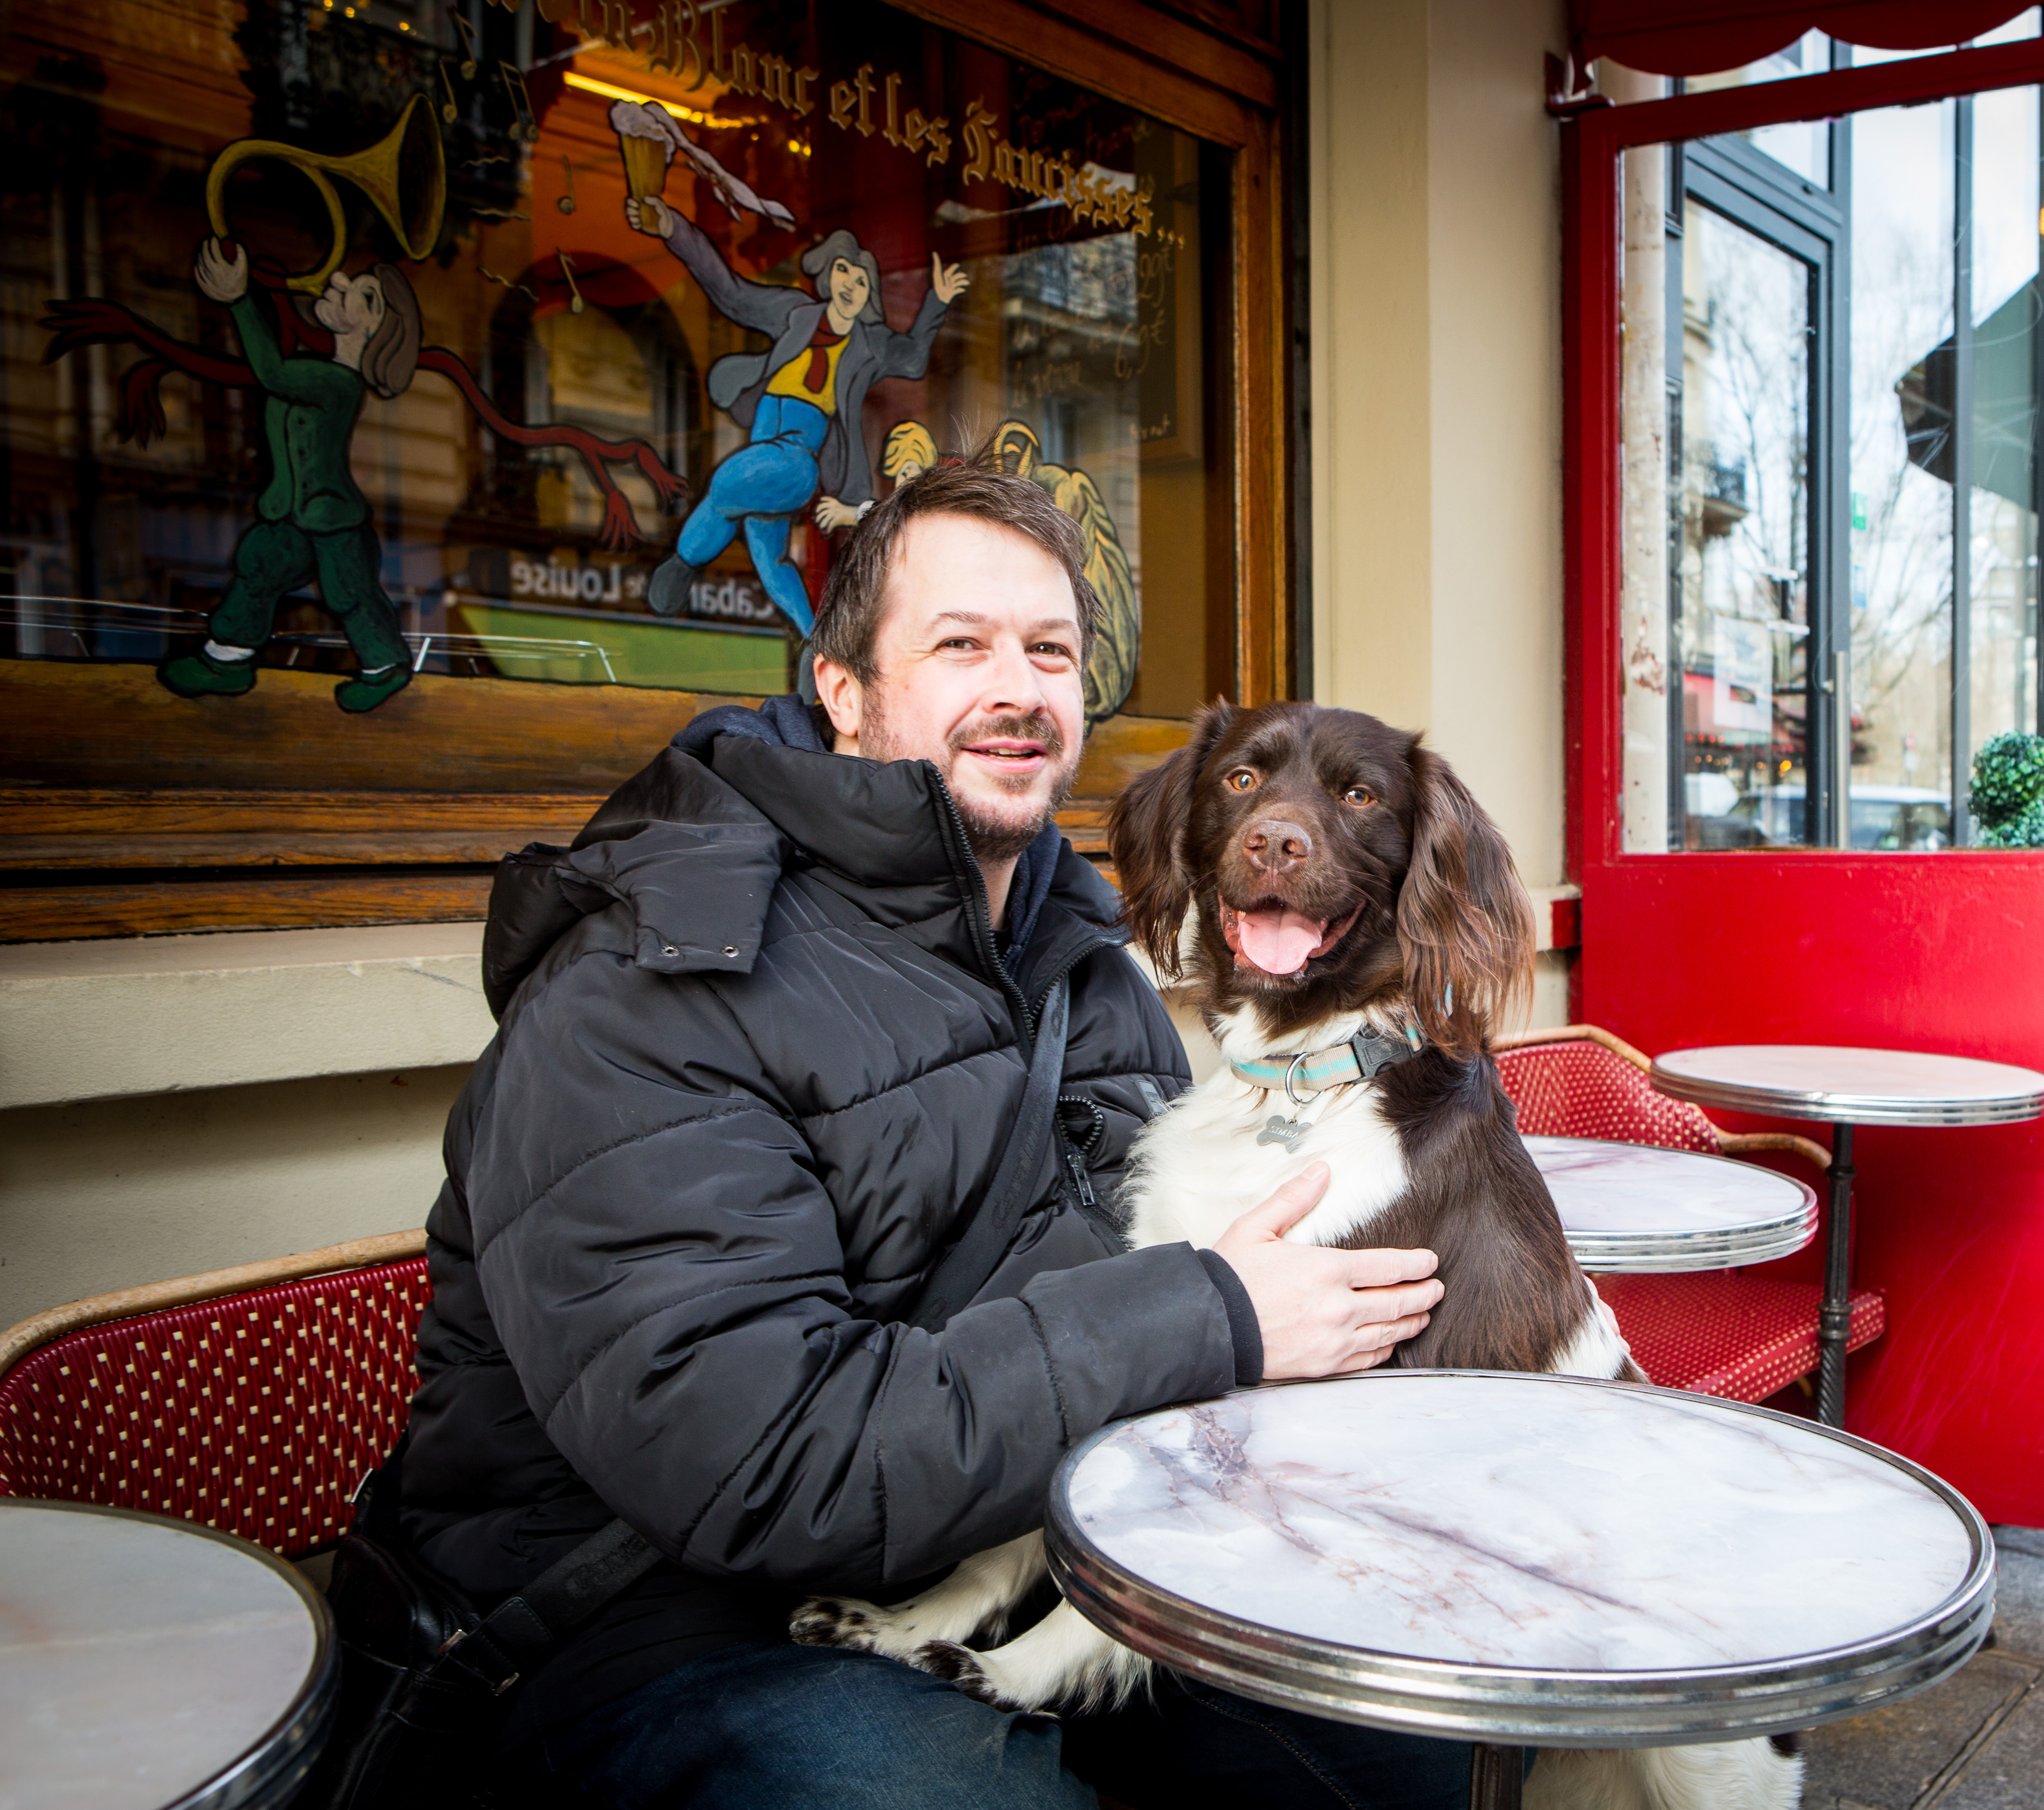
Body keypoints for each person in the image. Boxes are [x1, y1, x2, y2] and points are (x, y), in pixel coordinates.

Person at [393, 459, 1475, 1809]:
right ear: (843, 691)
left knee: (1399, 1712)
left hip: (1012, 1543)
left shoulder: (1089, 965)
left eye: (1049, 651)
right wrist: (1215, 1317)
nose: (1017, 688)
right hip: (655, 1621)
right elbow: (760, 1465)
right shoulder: (649, 985)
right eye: (960, 644)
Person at [630, 197, 967, 649]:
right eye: (844, 271)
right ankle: (813, 645)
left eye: (863, 281)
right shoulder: (795, 313)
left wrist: (937, 302)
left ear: (869, 296)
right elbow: (731, 293)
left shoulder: (868, 345)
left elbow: (911, 359)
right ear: (829, 275)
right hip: (764, 442)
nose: (851, 285)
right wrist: (673, 228)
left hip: (799, 457)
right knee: (771, 561)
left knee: (733, 482)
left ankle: (684, 561)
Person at [157, 239, 421, 712]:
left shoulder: (339, 383)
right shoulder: (318, 372)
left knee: (351, 592)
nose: (338, 282)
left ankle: (386, 668)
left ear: (375, 328)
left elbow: (273, 373)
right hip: (294, 514)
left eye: (363, 295)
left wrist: (240, 300)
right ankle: (227, 661)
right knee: (258, 569)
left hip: (333, 517)